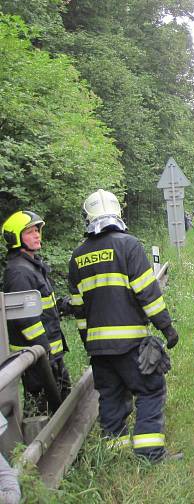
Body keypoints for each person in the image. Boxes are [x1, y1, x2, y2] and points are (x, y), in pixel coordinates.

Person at [67, 189, 179, 460]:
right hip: (130, 343)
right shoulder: (128, 245)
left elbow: (78, 309)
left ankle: (113, 456)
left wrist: (89, 343)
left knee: (111, 399)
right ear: (117, 213)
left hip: (99, 349)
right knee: (151, 390)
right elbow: (147, 293)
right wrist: (167, 328)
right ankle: (150, 454)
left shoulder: (77, 257)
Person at [2, 210, 71, 412]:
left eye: (37, 230)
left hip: (48, 354)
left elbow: (42, 307)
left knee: (61, 400)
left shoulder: (32, 266)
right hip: (37, 356)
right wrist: (44, 352)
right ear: (15, 238)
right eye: (30, 232)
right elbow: (26, 321)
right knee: (42, 406)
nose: (37, 235)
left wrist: (64, 306)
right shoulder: (19, 272)